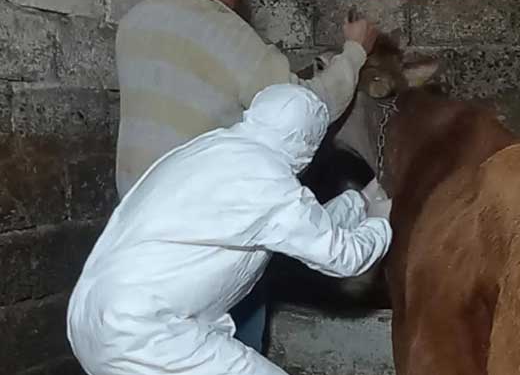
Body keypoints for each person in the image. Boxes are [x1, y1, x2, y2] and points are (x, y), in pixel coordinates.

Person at [114, 0, 378, 351]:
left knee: (164, 349)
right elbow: (307, 107)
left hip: (138, 222)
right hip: (212, 232)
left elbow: (199, 83)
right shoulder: (223, 30)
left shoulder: (133, 24)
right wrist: (355, 53)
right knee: (233, 340)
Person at [67, 83, 393, 375]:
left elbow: (301, 228)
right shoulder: (267, 179)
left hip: (90, 317)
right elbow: (342, 257)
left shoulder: (213, 148)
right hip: (145, 332)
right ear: (306, 144)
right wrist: (383, 221)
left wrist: (361, 201)